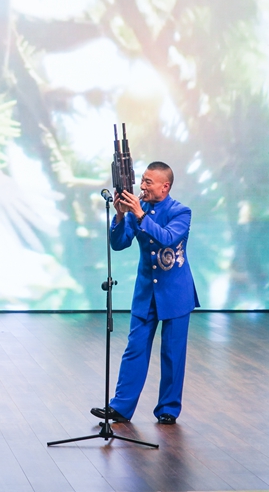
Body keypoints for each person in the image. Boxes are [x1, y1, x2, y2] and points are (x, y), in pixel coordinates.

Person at [91, 161, 199, 425]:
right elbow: (119, 244)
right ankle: (120, 406)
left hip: (176, 293)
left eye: (148, 182)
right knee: (135, 348)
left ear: (165, 187)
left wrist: (139, 215)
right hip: (146, 292)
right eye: (142, 180)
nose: (142, 186)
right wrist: (120, 216)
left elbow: (167, 238)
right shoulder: (137, 210)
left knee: (173, 353)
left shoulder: (181, 212)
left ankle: (168, 409)